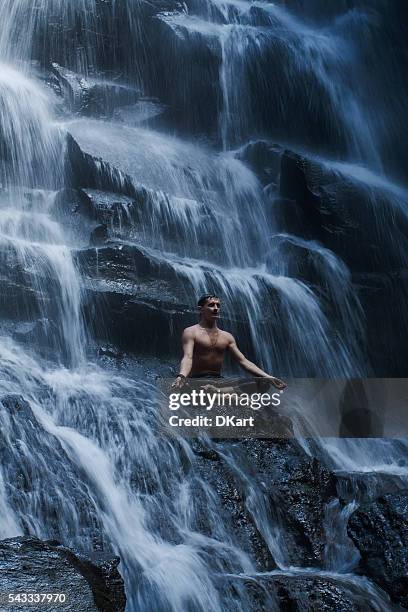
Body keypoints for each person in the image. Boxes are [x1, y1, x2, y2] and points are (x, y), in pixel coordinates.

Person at [172, 294, 286, 389]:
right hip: (197, 380)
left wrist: (269, 377)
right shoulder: (191, 331)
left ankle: (217, 392)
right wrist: (182, 376)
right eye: (211, 305)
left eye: (218, 305)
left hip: (218, 380)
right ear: (200, 309)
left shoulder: (227, 337)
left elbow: (244, 362)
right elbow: (188, 357)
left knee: (263, 383)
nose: (216, 308)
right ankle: (221, 393)